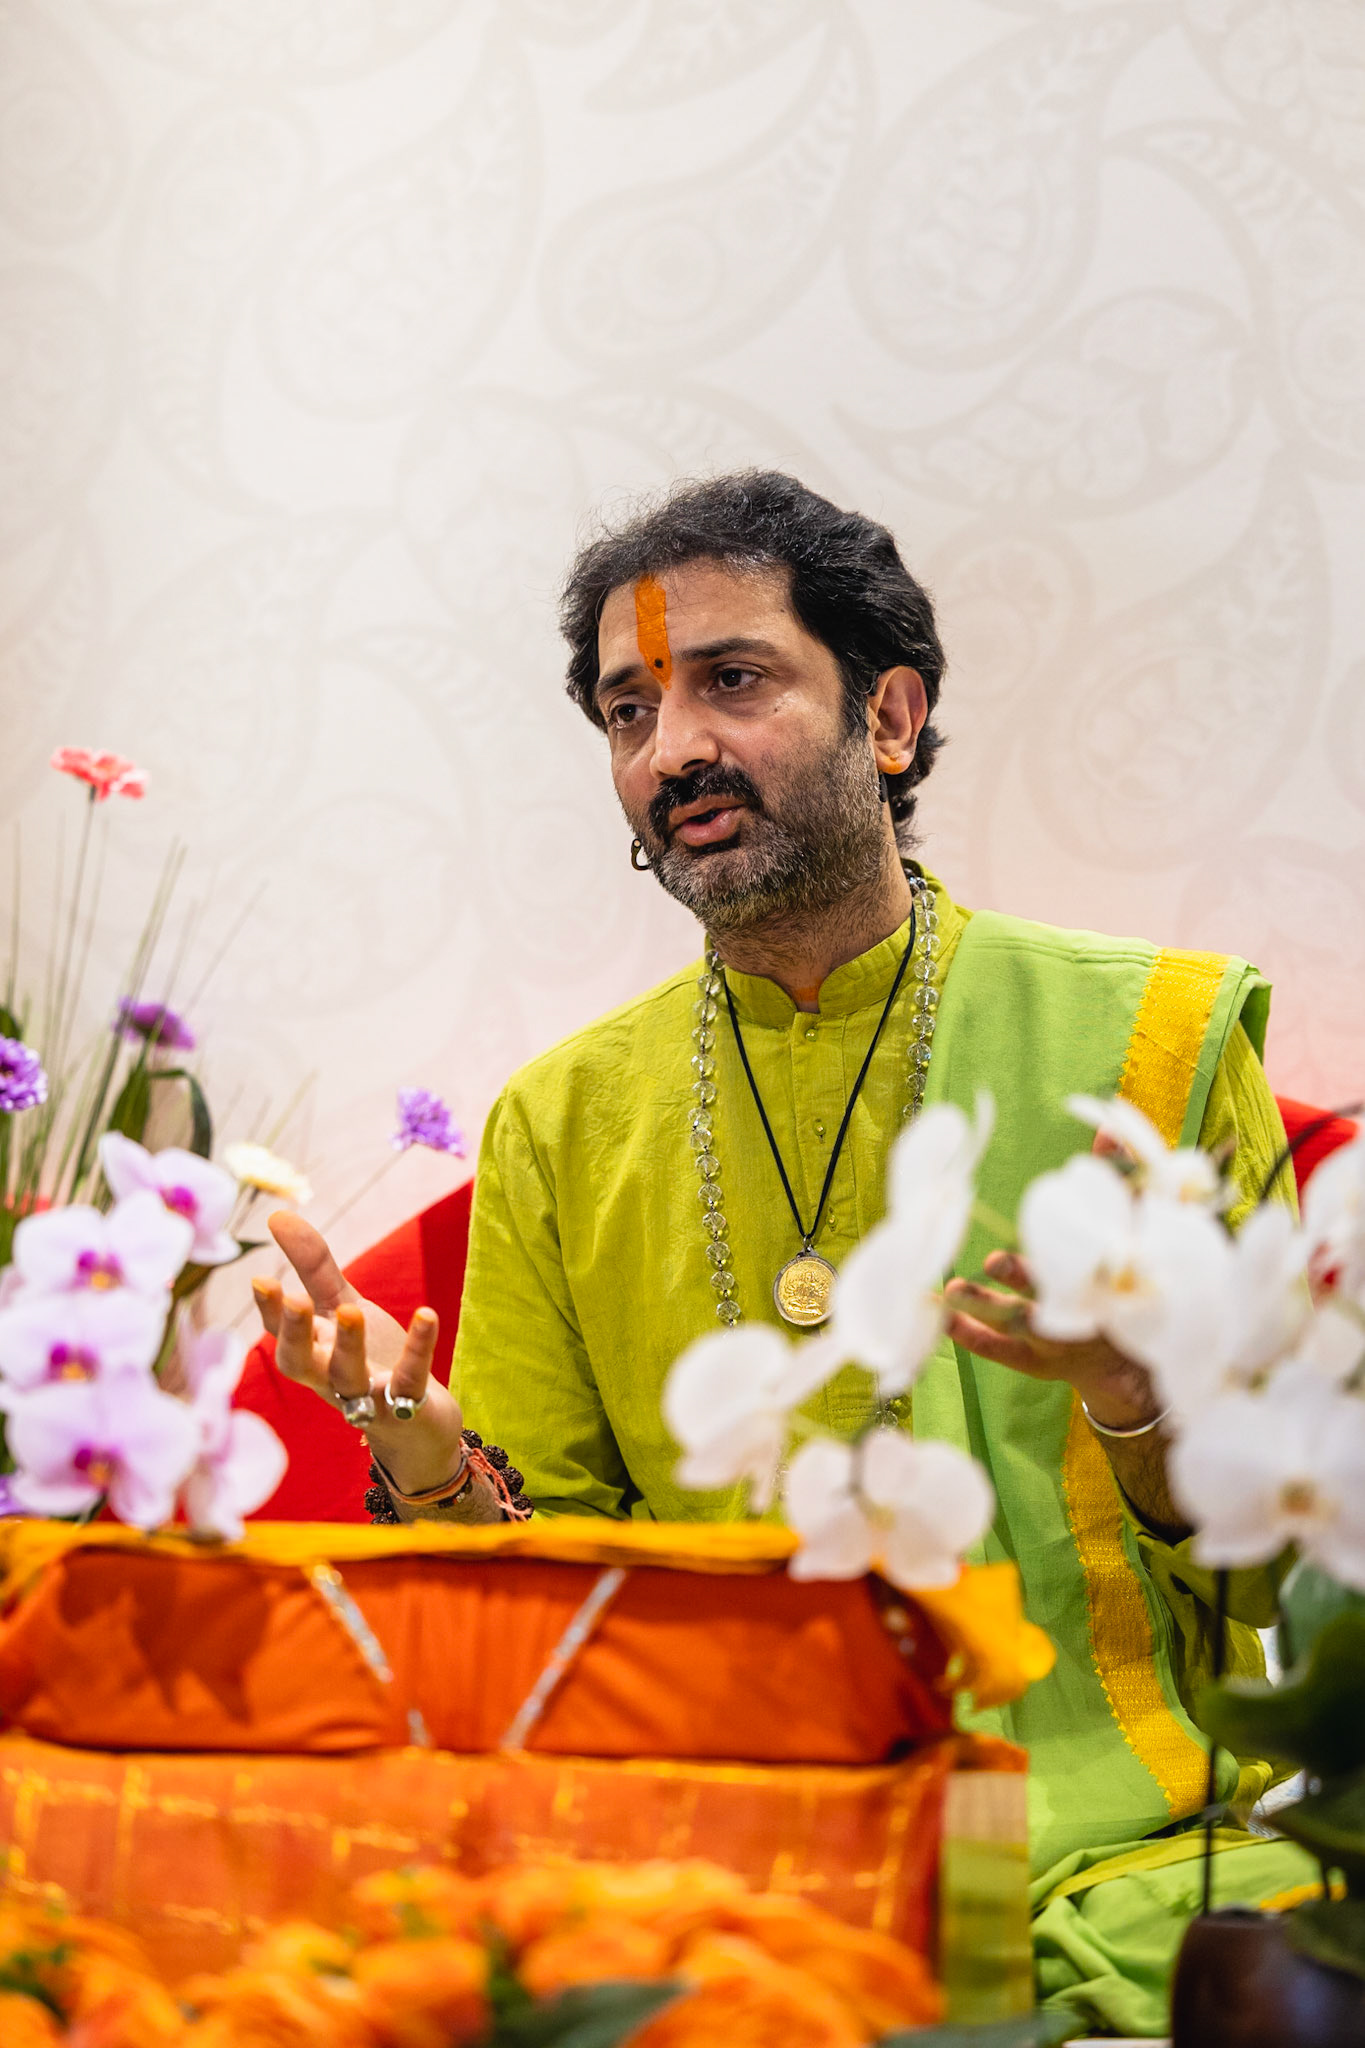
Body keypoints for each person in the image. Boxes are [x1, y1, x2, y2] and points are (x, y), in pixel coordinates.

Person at [253, 472, 1312, 2034]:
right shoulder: (560, 1120)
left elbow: (1291, 1578)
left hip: (1127, 1855)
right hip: (719, 1872)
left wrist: (1132, 1397)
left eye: (730, 681)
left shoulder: (1155, 1042)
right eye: (627, 712)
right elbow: (546, 1620)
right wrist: (422, 1463)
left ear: (888, 715)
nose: (671, 747)